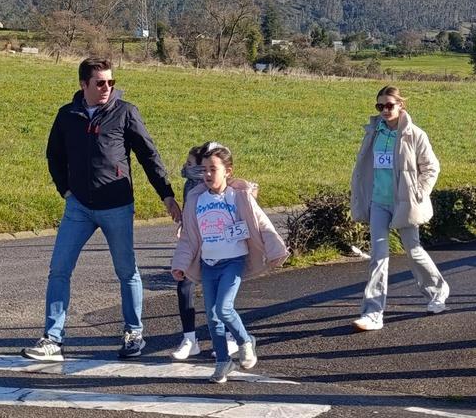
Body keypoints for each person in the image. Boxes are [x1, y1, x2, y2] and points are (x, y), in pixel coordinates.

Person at [22, 57, 180, 363]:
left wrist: (167, 195)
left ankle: (134, 333)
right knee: (59, 269)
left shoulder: (125, 113)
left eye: (111, 82)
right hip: (78, 206)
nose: (107, 87)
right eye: (100, 83)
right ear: (84, 85)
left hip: (117, 206)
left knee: (126, 271)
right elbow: (54, 155)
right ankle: (53, 339)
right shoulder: (67, 115)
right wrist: (65, 190)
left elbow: (149, 155)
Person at [171, 142, 289, 383]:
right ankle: (223, 361)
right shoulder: (196, 199)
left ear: (228, 171)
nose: (207, 174)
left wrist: (276, 250)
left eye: (213, 169)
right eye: (204, 169)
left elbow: (263, 225)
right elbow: (189, 238)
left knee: (224, 308)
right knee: (213, 317)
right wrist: (180, 264)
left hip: (233, 261)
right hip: (208, 264)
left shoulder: (240, 197)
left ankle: (246, 340)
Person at [349, 86, 449, 332]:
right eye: (379, 106)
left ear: (401, 106)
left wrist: (418, 192)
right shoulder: (373, 132)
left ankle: (437, 289)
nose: (384, 110)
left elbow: (431, 168)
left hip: (405, 202)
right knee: (378, 256)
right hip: (378, 202)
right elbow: (365, 168)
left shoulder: (415, 135)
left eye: (389, 105)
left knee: (413, 250)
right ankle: (373, 312)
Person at [171, 144, 238, 361]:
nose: (186, 168)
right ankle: (190, 339)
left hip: (221, 247)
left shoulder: (223, 186)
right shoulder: (190, 185)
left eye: (191, 164)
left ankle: (231, 338)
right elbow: (189, 213)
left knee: (222, 298)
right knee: (184, 285)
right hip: (195, 243)